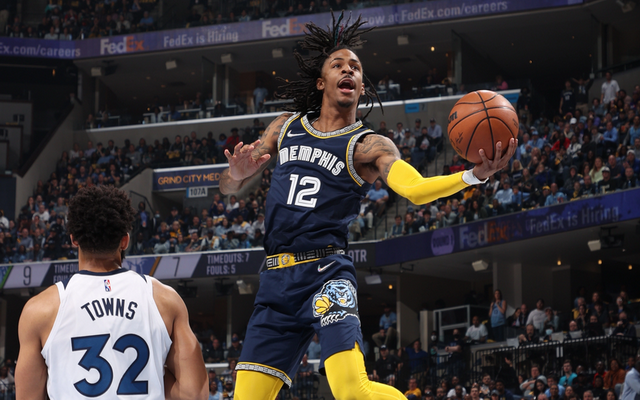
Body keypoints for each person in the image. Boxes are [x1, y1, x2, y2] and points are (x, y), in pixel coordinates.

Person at [219, 13, 516, 400]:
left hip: (326, 273)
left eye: (356, 68)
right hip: (275, 281)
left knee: (352, 392)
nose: (348, 69)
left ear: (361, 87)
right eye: (338, 65)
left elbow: (415, 189)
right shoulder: (285, 126)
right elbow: (229, 187)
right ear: (321, 82)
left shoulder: (369, 145)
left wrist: (473, 176)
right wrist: (236, 175)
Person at [15, 186, 208, 400]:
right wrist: (151, 374)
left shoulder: (40, 309)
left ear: (74, 239)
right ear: (125, 240)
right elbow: (194, 394)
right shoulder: (164, 299)